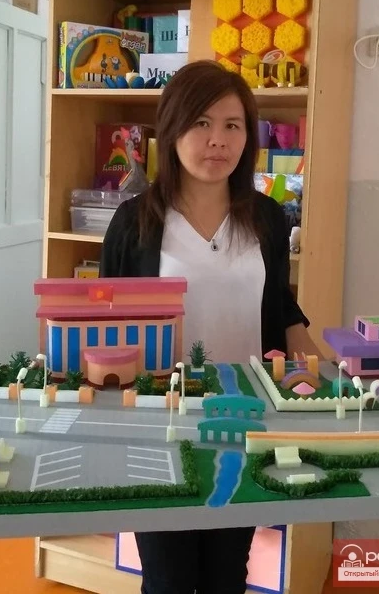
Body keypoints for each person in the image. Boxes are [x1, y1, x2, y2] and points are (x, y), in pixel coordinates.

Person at [99, 60, 317, 594]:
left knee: (226, 575)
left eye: (232, 125)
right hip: (161, 427)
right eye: (201, 122)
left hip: (244, 421)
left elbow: (279, 305)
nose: (217, 140)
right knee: (168, 579)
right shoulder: (134, 222)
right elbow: (106, 329)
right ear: (172, 130)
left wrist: (320, 369)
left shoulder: (267, 218)